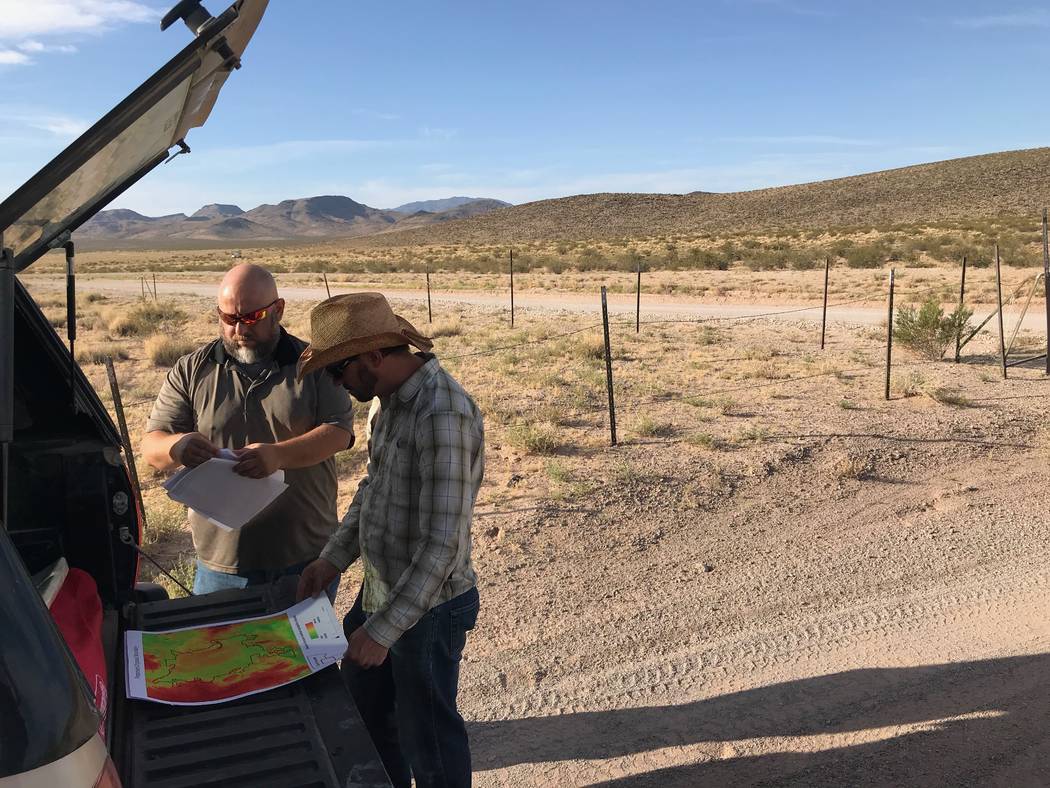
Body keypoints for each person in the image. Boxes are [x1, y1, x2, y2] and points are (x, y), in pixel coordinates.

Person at [295, 292, 483, 788]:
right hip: (381, 591)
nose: (336, 383)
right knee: (367, 718)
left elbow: (442, 546)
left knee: (432, 745)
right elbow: (372, 493)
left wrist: (383, 631)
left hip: (429, 609)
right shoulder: (390, 406)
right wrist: (331, 560)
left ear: (376, 356)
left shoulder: (442, 414)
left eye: (339, 370)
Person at [141, 264, 354, 597]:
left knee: (302, 651)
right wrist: (178, 446)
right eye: (228, 319)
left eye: (251, 318)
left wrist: (277, 456)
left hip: (303, 557)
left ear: (278, 310)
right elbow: (151, 445)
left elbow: (339, 432)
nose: (238, 329)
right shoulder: (191, 369)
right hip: (222, 566)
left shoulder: (314, 364)